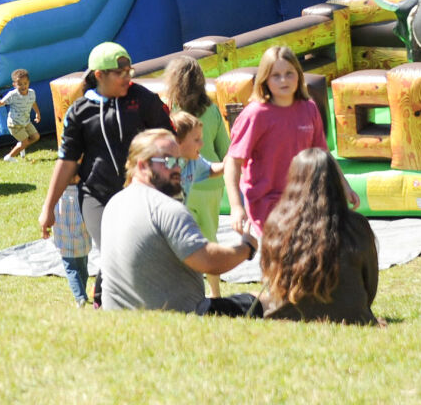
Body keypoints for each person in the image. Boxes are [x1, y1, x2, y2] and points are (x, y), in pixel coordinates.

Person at [38, 42, 173, 302]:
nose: (127, 78)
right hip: (96, 196)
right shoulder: (80, 112)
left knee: (140, 248)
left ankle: (138, 298)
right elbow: (66, 162)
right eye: (120, 73)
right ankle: (102, 301)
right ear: (99, 75)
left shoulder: (142, 99)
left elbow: (168, 138)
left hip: (140, 192)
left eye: (129, 71)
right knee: (112, 248)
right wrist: (49, 208)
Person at [100, 129, 259, 315]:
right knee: (267, 301)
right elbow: (208, 261)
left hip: (119, 316)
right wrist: (246, 248)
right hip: (184, 313)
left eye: (179, 160)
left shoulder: (114, 203)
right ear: (142, 166)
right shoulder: (166, 208)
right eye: (168, 162)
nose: (178, 168)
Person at [259, 148, 378, 324]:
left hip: (288, 316)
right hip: (354, 316)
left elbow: (270, 277)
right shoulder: (358, 225)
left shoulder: (277, 223)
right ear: (335, 181)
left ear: (293, 179)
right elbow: (370, 283)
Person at [224, 46, 328, 237]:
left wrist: (344, 187)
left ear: (298, 75)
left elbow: (323, 154)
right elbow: (232, 161)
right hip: (267, 205)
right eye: (276, 75)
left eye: (289, 73)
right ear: (265, 80)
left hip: (304, 200)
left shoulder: (309, 108)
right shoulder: (255, 114)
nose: (284, 80)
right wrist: (236, 206)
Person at [163, 54, 228, 161]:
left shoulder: (168, 111)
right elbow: (225, 151)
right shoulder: (212, 109)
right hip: (214, 173)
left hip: (183, 176)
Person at [0, 68, 41, 161]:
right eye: (20, 84)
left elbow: (33, 103)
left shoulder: (32, 93)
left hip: (26, 121)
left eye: (25, 83)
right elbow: (1, 102)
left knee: (36, 137)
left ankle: (20, 146)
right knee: (24, 142)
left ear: (28, 82)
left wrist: (37, 113)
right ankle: (9, 157)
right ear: (14, 85)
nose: (23, 86)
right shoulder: (13, 95)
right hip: (14, 124)